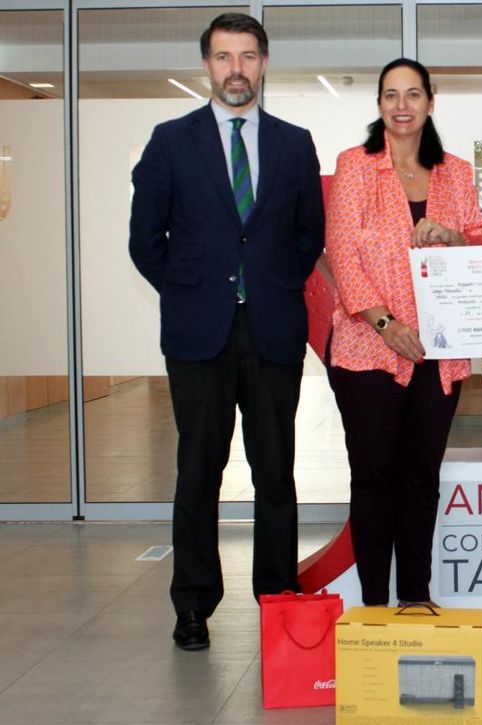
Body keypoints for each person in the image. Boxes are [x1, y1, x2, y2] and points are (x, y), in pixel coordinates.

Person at [129, 12, 325, 650]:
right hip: (198, 335)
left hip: (271, 329)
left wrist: (265, 285)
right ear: (207, 66)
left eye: (247, 56)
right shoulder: (169, 141)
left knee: (276, 472)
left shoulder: (295, 143)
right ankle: (192, 605)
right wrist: (193, 291)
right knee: (198, 470)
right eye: (223, 57)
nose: (235, 69)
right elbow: (144, 241)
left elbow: (307, 237)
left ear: (264, 63)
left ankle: (277, 598)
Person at [324, 58, 482, 607]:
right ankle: (375, 604)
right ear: (379, 105)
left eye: (413, 94)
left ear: (430, 101)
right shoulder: (356, 165)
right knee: (374, 475)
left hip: (439, 350)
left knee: (421, 476)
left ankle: (415, 597)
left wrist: (452, 236)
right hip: (367, 348)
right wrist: (386, 324)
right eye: (391, 95)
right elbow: (343, 255)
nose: (402, 105)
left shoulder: (455, 172)